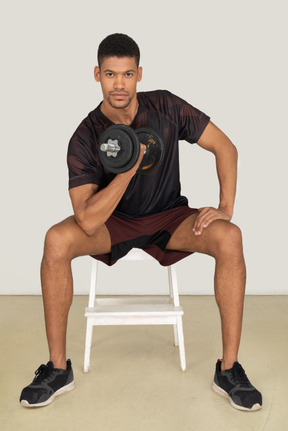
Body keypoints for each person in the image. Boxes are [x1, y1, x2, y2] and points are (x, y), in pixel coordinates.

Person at [20, 33, 262, 411]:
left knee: (230, 238)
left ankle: (228, 369)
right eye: (111, 74)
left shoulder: (166, 106)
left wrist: (225, 207)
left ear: (139, 74)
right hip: (110, 223)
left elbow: (225, 147)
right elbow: (86, 221)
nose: (119, 84)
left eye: (128, 74)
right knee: (56, 240)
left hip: (170, 217)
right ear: (97, 74)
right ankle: (57, 368)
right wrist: (127, 171)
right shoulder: (85, 136)